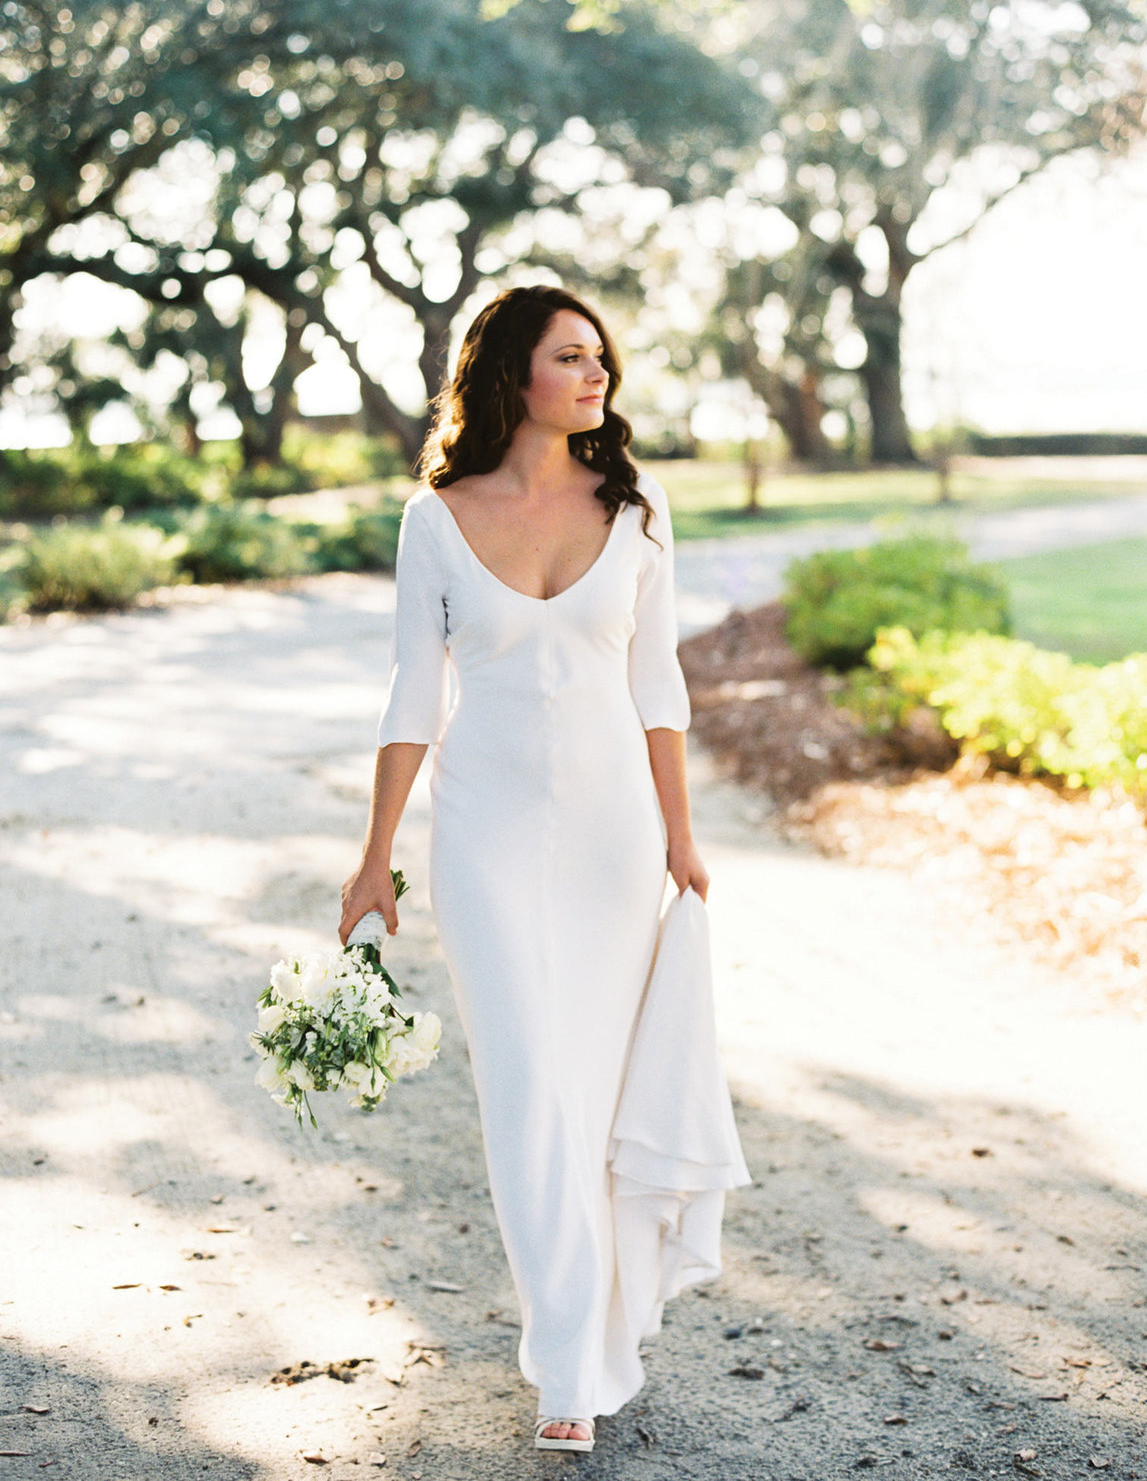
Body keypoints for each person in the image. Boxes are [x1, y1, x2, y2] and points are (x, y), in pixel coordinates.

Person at [339, 284, 740, 1455]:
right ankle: (568, 1361)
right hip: (484, 837)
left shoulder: (639, 503)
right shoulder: (436, 518)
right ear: (513, 374)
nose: (596, 374)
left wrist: (682, 836)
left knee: (599, 1091)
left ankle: (599, 1338)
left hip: (618, 838)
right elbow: (415, 693)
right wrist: (374, 857)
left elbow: (657, 684)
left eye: (600, 356)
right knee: (527, 1091)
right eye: (572, 356)